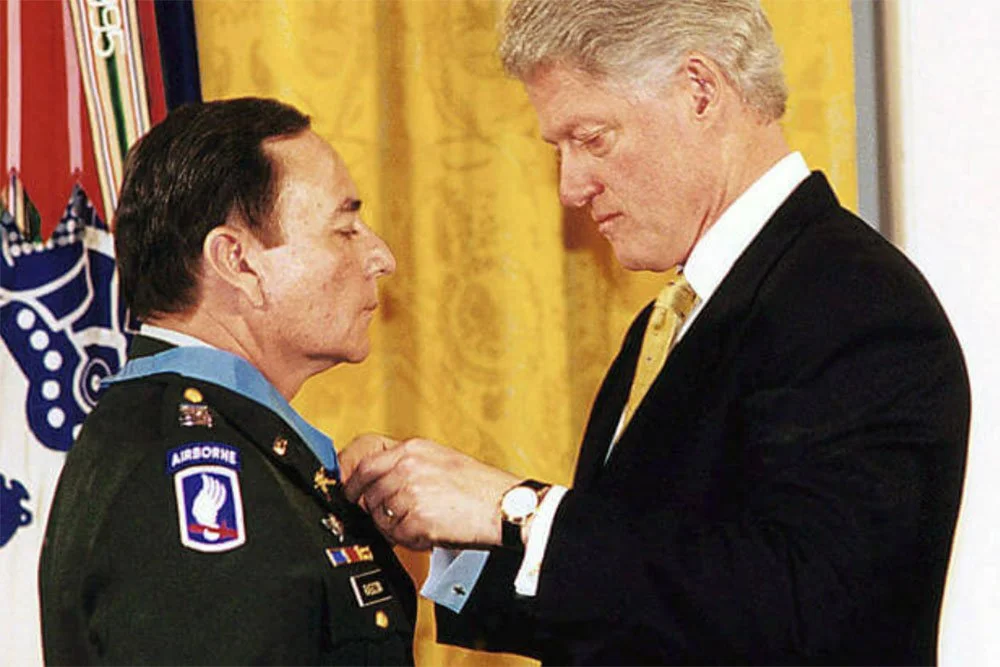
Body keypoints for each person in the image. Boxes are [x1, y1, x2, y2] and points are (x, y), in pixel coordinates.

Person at [341, 0, 971, 664]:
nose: (570, 188)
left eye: (592, 138)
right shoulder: (671, 318)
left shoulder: (852, 300)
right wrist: (455, 528)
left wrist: (516, 508)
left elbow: (806, 611)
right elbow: (642, 604)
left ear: (700, 91)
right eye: (559, 149)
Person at [39, 98, 415, 665]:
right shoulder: (191, 472)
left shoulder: (233, 447)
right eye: (344, 229)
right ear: (237, 262)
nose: (381, 257)